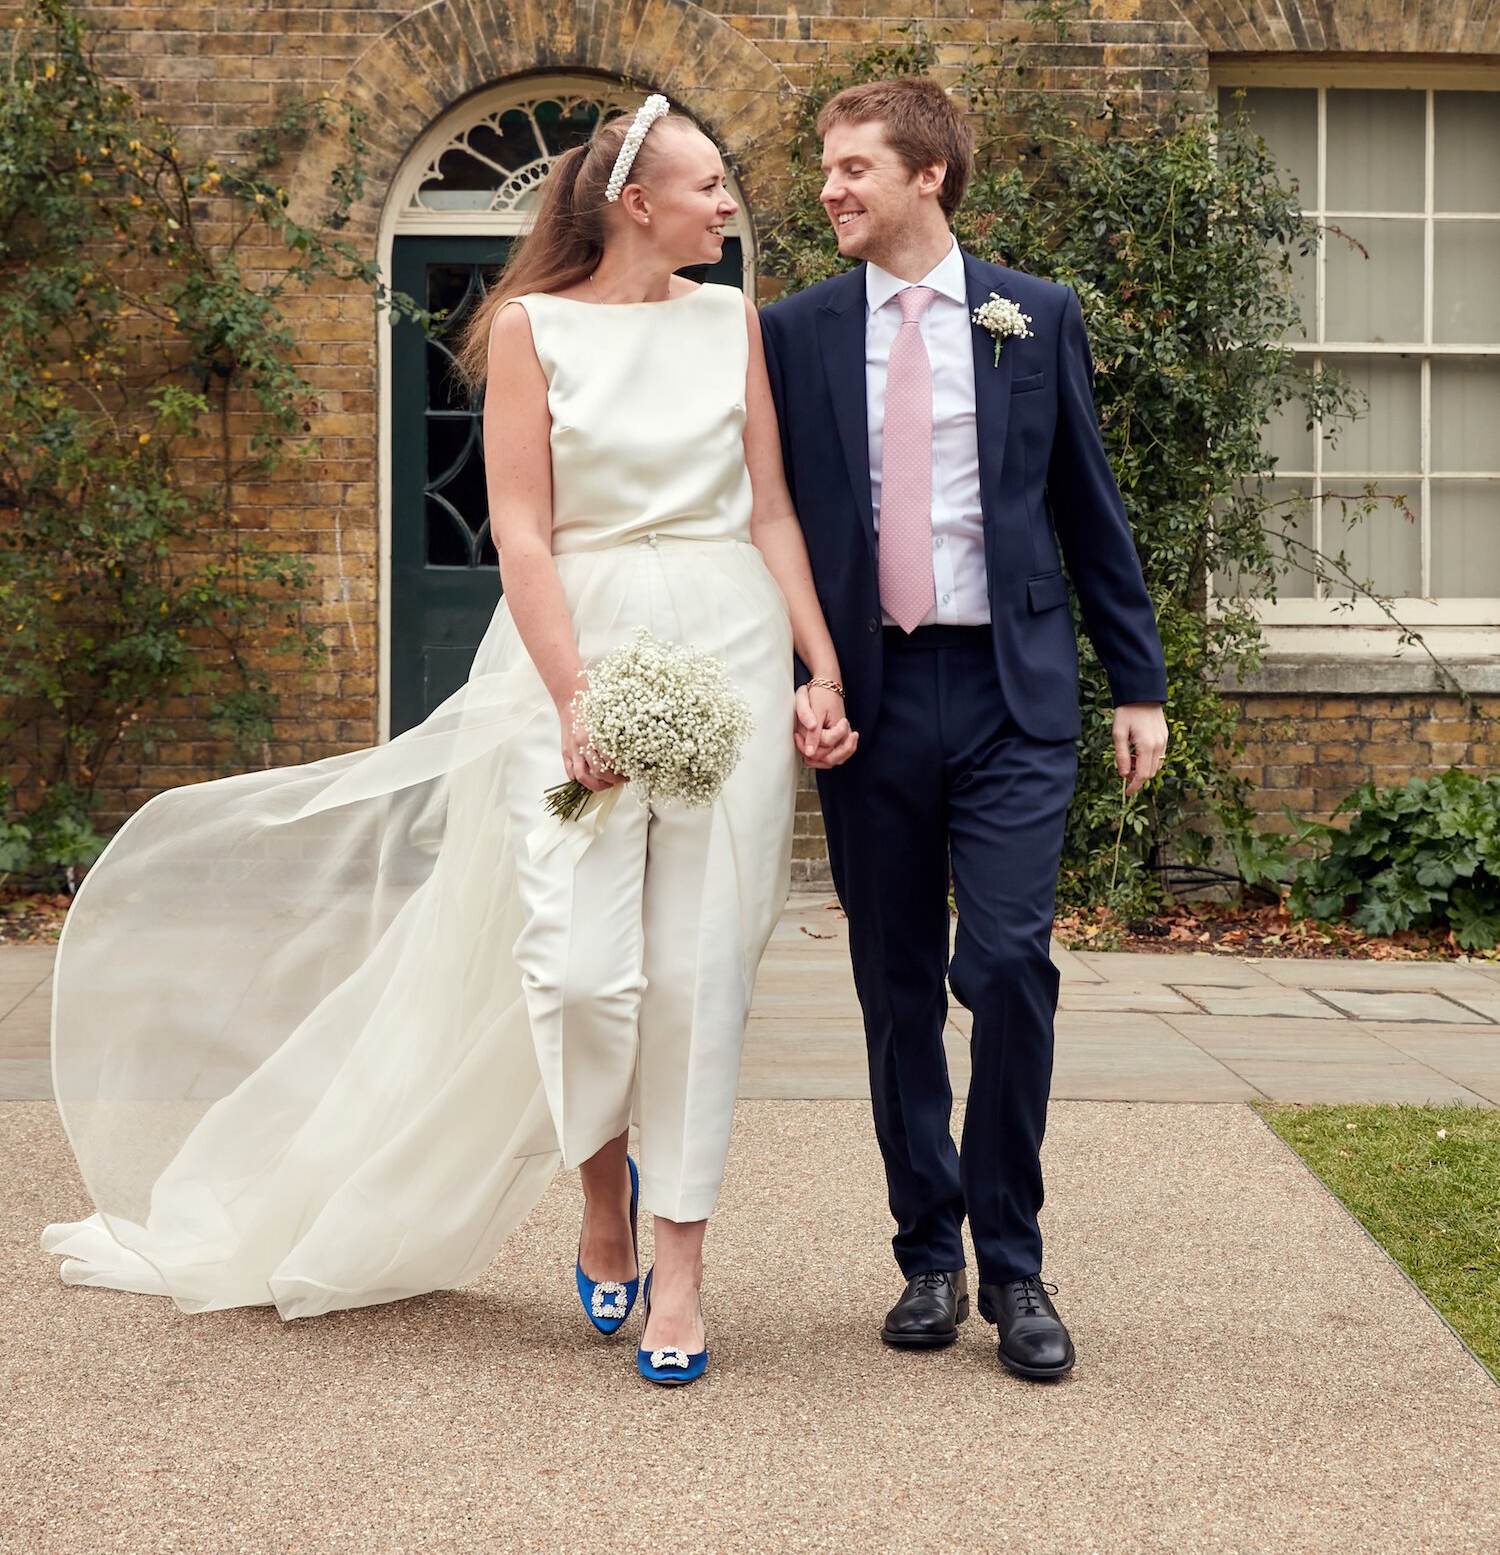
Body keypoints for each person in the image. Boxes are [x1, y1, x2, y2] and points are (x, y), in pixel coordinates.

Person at [43, 96, 855, 1388]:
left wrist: (817, 662)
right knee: (583, 971)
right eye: (710, 187)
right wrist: (577, 695)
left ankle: (681, 1269)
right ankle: (602, 1190)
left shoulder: (732, 323)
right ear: (636, 204)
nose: (730, 207)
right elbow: (522, 533)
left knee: (702, 975)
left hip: (731, 648)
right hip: (577, 646)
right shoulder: (531, 329)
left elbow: (770, 511)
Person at [760, 77, 1168, 1383]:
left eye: (854, 166)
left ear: (929, 173)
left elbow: (1090, 504)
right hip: (871, 698)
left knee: (1004, 967)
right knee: (895, 989)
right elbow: (763, 521)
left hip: (1011, 691)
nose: (831, 186)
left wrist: (1139, 682)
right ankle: (928, 1254)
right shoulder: (796, 333)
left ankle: (1017, 1259)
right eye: (826, 166)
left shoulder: (1032, 317)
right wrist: (796, 673)